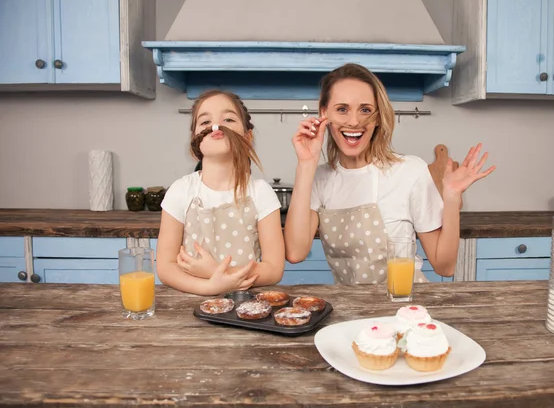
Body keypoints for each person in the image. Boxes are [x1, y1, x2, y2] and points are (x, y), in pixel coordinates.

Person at [284, 63, 495, 284]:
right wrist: (306, 164)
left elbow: (445, 266)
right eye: (342, 109)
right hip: (352, 310)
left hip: (405, 307)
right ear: (324, 113)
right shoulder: (319, 178)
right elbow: (296, 253)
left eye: (365, 109)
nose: (354, 121)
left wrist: (451, 199)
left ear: (377, 117)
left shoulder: (410, 171)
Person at [157, 90, 285, 295]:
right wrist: (209, 287)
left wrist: (217, 272)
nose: (216, 126)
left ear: (247, 136)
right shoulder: (180, 191)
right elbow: (165, 267)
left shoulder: (261, 193)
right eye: (205, 122)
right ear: (195, 140)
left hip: (245, 306)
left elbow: (273, 269)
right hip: (190, 306)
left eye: (228, 119)